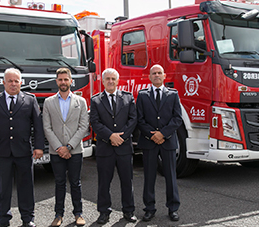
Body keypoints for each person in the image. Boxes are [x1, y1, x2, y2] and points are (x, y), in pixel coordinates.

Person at [0, 68, 44, 227]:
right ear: (4, 83)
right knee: (4, 188)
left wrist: (38, 147)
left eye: (16, 81)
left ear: (21, 83)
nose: (13, 84)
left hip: (23, 152)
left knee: (26, 187)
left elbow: (38, 126)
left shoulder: (30, 100)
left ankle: (28, 218)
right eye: (10, 81)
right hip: (2, 152)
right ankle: (3, 218)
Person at [90, 68, 137, 224]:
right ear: (103, 81)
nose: (110, 81)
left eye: (113, 79)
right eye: (107, 78)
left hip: (124, 148)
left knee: (127, 181)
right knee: (104, 182)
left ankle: (128, 211)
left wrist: (120, 137)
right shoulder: (96, 100)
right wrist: (110, 136)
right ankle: (104, 212)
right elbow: (95, 122)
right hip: (105, 148)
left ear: (118, 81)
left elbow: (133, 120)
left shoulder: (128, 98)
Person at [42, 68, 88, 227]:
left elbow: (83, 126)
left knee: (75, 183)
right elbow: (46, 128)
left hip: (75, 150)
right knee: (59, 183)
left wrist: (68, 146)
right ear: (57, 81)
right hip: (56, 152)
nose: (63, 82)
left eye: (66, 79)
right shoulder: (48, 102)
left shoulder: (80, 102)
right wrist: (59, 148)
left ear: (71, 81)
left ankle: (78, 213)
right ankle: (58, 214)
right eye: (60, 80)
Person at [136, 64, 182, 222]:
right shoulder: (142, 95)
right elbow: (139, 119)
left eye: (159, 73)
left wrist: (163, 134)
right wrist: (152, 135)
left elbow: (177, 118)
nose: (156, 75)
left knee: (170, 176)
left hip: (167, 141)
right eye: (153, 73)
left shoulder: (173, 94)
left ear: (164, 76)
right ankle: (149, 208)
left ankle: (173, 208)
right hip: (149, 142)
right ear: (149, 77)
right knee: (149, 177)